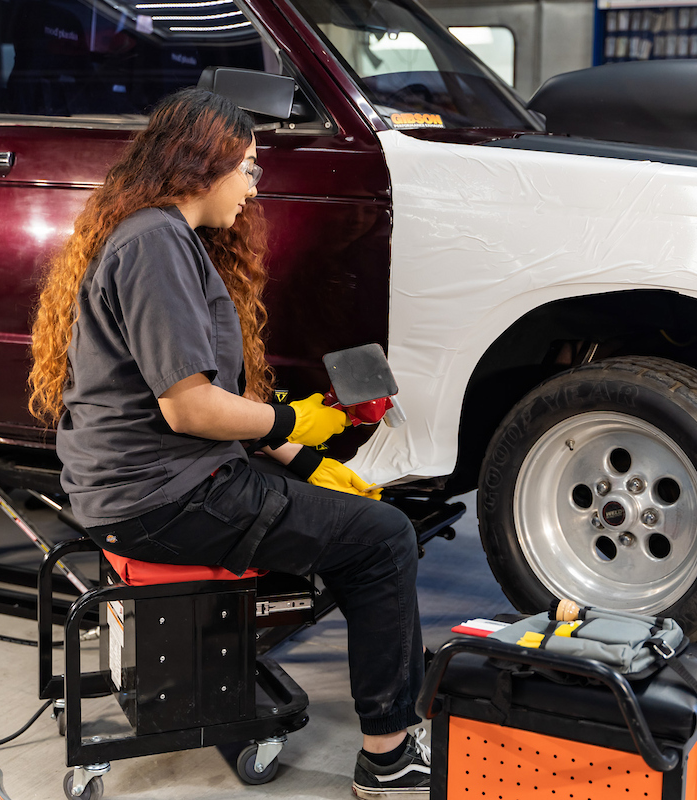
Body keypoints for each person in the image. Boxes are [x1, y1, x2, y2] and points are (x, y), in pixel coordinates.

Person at [28, 87, 429, 799]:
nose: (253, 187)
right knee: (385, 539)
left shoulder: (153, 236)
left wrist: (305, 459)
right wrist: (287, 425)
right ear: (200, 165)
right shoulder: (156, 242)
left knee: (355, 525)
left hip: (147, 487)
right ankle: (390, 758)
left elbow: (211, 397)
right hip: (165, 499)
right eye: (247, 167)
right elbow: (189, 408)